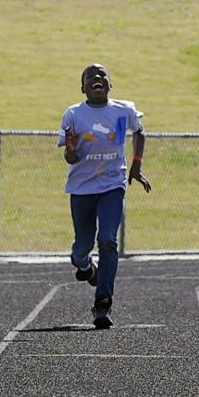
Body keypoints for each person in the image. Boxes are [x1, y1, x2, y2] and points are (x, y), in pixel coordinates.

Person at [60, 63, 151, 330]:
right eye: (91, 77)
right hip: (82, 188)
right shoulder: (73, 114)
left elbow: (140, 132)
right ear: (83, 87)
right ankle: (85, 265)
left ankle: (103, 302)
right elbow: (70, 156)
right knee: (82, 246)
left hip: (113, 184)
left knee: (108, 240)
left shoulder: (123, 110)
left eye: (102, 76)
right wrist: (72, 150)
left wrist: (136, 165)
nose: (97, 79)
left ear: (110, 85)